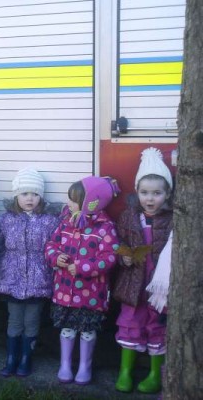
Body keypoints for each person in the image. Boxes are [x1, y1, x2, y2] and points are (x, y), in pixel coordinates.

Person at [45, 176, 119, 385]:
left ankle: (85, 366)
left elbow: (110, 258)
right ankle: (65, 364)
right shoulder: (66, 222)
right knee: (67, 328)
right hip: (64, 290)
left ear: (90, 202)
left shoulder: (105, 227)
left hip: (91, 293)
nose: (68, 203)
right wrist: (55, 257)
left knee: (87, 330)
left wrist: (81, 267)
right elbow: (51, 244)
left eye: (74, 199)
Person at [114, 147, 173, 394]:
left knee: (157, 326)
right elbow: (118, 244)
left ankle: (154, 374)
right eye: (145, 192)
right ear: (137, 192)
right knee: (130, 322)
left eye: (157, 193)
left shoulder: (172, 219)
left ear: (167, 194)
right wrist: (124, 258)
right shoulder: (129, 217)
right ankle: (125, 371)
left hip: (159, 287)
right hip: (133, 283)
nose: (150, 199)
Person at [0, 168, 60, 377]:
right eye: (25, 194)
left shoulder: (50, 221)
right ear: (16, 196)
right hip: (12, 279)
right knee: (14, 321)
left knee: (31, 321)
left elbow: (54, 247)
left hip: (37, 280)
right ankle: (11, 358)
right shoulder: (6, 219)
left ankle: (26, 358)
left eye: (34, 194)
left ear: (41, 196)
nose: (30, 198)